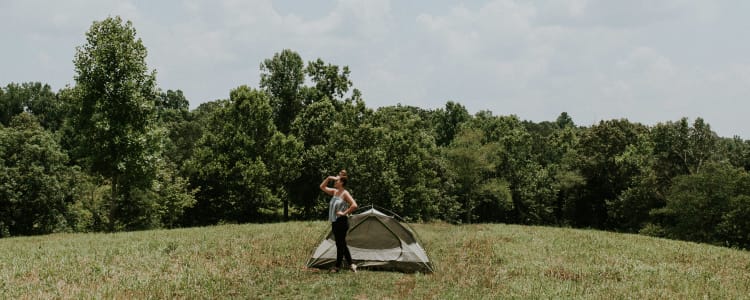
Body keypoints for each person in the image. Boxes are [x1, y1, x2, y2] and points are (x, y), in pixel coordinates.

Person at [320, 170, 358, 273]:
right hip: (335, 222)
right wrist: (329, 177)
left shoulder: (345, 193)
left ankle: (337, 266)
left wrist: (344, 213)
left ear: (341, 182)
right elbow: (322, 187)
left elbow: (354, 205)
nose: (335, 182)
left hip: (342, 222)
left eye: (336, 180)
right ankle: (351, 264)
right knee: (341, 244)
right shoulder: (334, 192)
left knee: (340, 244)